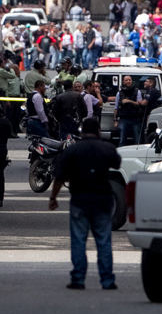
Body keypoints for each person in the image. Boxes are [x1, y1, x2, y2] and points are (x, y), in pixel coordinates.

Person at [49, 117, 121, 290]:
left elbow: (59, 176)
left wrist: (53, 198)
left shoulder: (73, 150)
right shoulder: (107, 149)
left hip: (80, 200)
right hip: (102, 200)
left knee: (79, 241)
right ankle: (107, 280)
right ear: (98, 131)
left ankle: (78, 278)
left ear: (81, 131)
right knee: (103, 241)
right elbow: (117, 163)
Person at [115, 75, 147, 147]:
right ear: (123, 82)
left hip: (135, 118)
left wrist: (129, 101)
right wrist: (115, 120)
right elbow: (116, 107)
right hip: (123, 118)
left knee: (137, 139)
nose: (128, 81)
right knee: (122, 139)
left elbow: (139, 104)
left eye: (129, 80)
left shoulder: (137, 92)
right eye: (126, 80)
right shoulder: (119, 93)